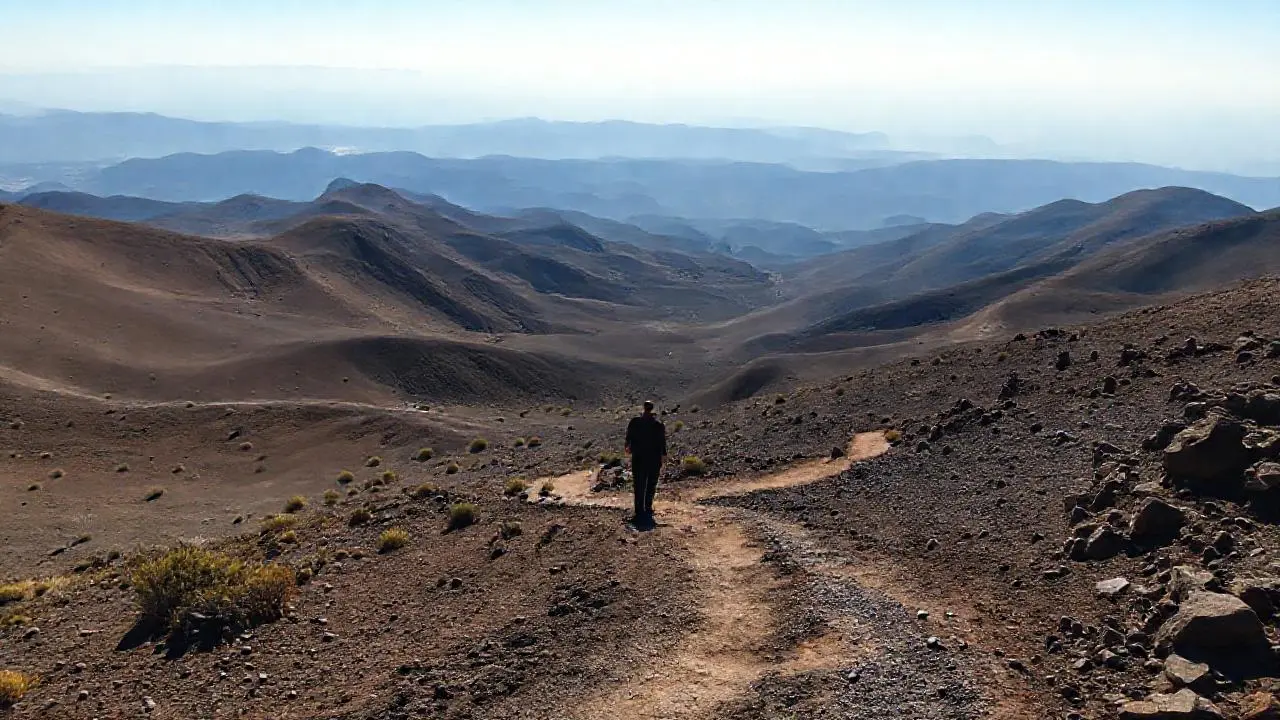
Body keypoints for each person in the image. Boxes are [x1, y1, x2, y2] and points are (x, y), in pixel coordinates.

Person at [624, 400, 666, 526]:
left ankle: (639, 510)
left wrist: (628, 448)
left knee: (639, 484)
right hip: (653, 459)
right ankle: (647, 508)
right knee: (651, 484)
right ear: (652, 409)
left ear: (643, 408)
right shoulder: (658, 425)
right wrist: (663, 457)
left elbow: (628, 440)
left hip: (639, 458)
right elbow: (662, 444)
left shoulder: (635, 422)